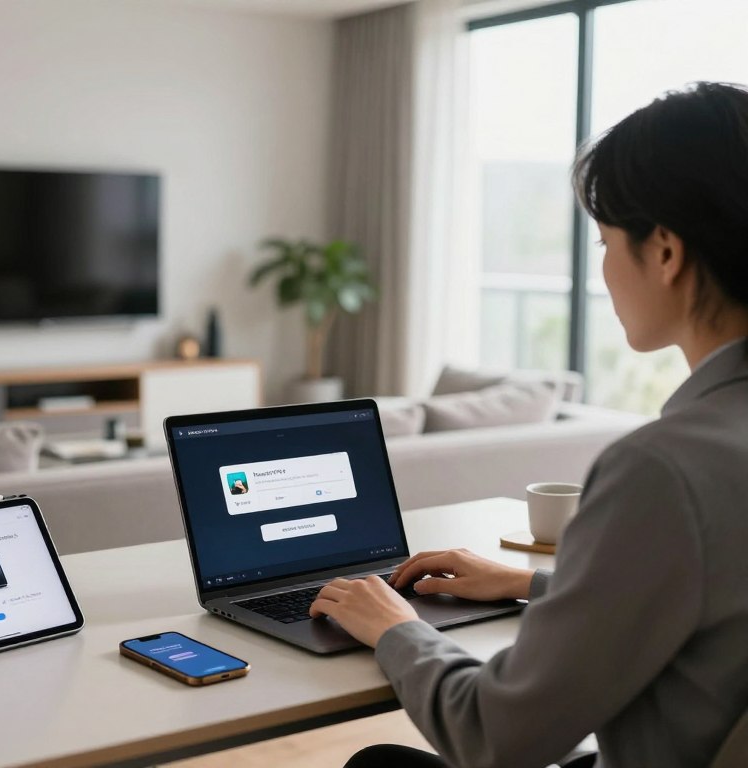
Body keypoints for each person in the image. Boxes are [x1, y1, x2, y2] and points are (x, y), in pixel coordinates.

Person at [309, 81, 748, 768]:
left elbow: (494, 736)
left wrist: (396, 629)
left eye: (605, 241)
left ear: (665, 252)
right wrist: (533, 585)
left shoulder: (665, 467)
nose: (602, 270)